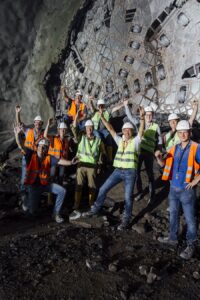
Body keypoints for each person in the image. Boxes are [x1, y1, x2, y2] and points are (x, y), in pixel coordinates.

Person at [83, 106, 145, 230]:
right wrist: (101, 117)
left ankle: (125, 220)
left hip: (130, 173)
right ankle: (95, 209)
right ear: (123, 131)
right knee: (102, 189)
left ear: (132, 132)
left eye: (129, 130)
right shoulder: (119, 141)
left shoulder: (136, 141)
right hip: (117, 171)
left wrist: (142, 118)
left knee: (128, 197)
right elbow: (110, 129)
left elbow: (141, 131)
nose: (127, 132)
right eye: (125, 130)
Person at [14, 124, 78, 223]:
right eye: (41, 146)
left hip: (45, 185)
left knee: (62, 191)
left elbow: (60, 161)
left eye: (44, 147)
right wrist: (17, 135)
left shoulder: (48, 157)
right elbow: (21, 145)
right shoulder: (31, 155)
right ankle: (25, 200)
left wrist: (70, 162)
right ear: (38, 146)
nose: (42, 148)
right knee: (31, 211)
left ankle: (56, 213)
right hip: (34, 187)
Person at [155, 120, 200, 260]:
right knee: (173, 214)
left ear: (190, 132)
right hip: (173, 188)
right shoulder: (174, 148)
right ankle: (173, 239)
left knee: (190, 219)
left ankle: (191, 245)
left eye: (185, 132)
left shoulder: (196, 147)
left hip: (187, 190)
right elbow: (164, 164)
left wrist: (196, 180)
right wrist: (158, 158)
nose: (182, 134)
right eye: (180, 132)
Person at [69, 112, 106, 220]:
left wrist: (99, 166)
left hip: (92, 167)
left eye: (90, 128)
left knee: (92, 186)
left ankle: (91, 204)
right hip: (81, 165)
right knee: (78, 184)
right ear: (85, 129)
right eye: (87, 128)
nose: (89, 129)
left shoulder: (99, 141)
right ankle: (76, 204)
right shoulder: (81, 137)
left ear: (93, 128)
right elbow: (74, 129)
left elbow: (101, 155)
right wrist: (76, 118)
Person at [125, 103, 162, 203]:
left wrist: (158, 149)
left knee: (150, 174)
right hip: (139, 151)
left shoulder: (156, 126)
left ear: (153, 115)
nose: (148, 116)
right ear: (144, 115)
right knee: (136, 173)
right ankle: (140, 192)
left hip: (149, 153)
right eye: (147, 114)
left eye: (150, 114)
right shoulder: (139, 123)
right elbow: (130, 117)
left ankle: (152, 195)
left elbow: (159, 141)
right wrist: (126, 106)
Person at [15, 105, 44, 208]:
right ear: (34, 123)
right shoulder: (29, 131)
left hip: (36, 160)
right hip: (26, 158)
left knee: (33, 180)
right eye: (36, 122)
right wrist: (18, 113)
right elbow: (19, 124)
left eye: (39, 123)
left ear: (41, 124)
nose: (38, 124)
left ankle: (32, 201)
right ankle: (23, 201)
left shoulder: (42, 135)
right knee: (24, 178)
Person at [44, 119, 71, 184]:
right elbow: (45, 135)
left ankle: (60, 188)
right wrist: (48, 124)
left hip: (62, 161)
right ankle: (50, 193)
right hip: (53, 161)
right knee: (52, 177)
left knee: (61, 177)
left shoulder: (66, 141)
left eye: (64, 129)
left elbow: (66, 152)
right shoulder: (54, 138)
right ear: (58, 130)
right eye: (61, 129)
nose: (63, 131)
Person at [89, 97, 113, 162]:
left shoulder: (106, 113)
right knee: (98, 135)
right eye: (99, 106)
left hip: (103, 130)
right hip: (95, 130)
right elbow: (91, 107)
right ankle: (104, 153)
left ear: (104, 106)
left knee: (109, 136)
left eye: (102, 106)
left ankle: (110, 159)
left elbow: (114, 109)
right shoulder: (95, 112)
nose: (100, 107)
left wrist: (124, 104)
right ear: (97, 106)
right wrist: (90, 101)